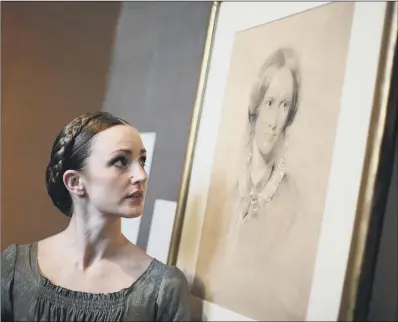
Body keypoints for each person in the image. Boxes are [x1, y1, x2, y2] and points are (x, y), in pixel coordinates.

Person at [1, 112, 191, 322]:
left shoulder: (163, 289)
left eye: (142, 160)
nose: (141, 175)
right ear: (75, 182)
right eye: (120, 161)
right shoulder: (14, 268)